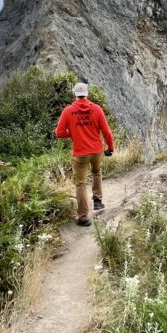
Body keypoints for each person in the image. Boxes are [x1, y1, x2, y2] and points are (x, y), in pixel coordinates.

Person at [55, 81, 115, 226]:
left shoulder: (68, 111)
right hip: (96, 151)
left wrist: (73, 133)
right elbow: (106, 132)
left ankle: (83, 217)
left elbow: (59, 133)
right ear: (87, 94)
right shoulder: (97, 109)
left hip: (80, 153)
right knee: (96, 172)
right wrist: (110, 148)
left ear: (74, 94)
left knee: (80, 184)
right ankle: (98, 202)